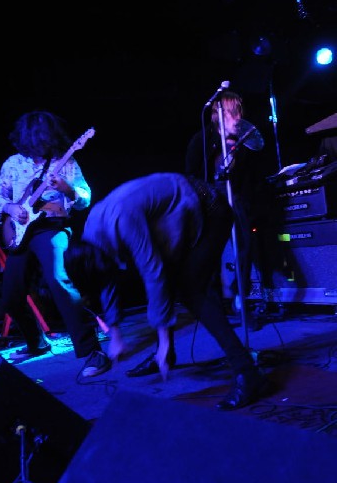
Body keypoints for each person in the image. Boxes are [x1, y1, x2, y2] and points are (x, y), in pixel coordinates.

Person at [64, 172, 272, 410]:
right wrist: (116, 336)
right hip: (177, 215)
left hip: (210, 207)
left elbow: (154, 273)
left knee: (193, 292)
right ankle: (167, 356)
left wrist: (162, 342)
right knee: (167, 279)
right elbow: (106, 279)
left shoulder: (122, 220)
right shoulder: (92, 240)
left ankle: (248, 374)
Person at [0, 110, 111, 377]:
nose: (42, 143)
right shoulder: (13, 163)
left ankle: (92, 351)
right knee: (10, 295)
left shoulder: (65, 162)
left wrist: (67, 189)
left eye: (46, 137)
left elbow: (85, 197)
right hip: (21, 232)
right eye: (37, 138)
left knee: (58, 280)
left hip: (52, 228)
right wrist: (10, 208)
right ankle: (36, 343)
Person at [185, 90, 264, 311]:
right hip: (209, 198)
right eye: (232, 111)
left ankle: (241, 295)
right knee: (210, 251)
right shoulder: (202, 139)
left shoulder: (246, 140)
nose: (238, 116)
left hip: (236, 197)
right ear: (219, 114)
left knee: (245, 243)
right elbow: (190, 174)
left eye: (239, 111)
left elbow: (252, 176)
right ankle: (213, 300)